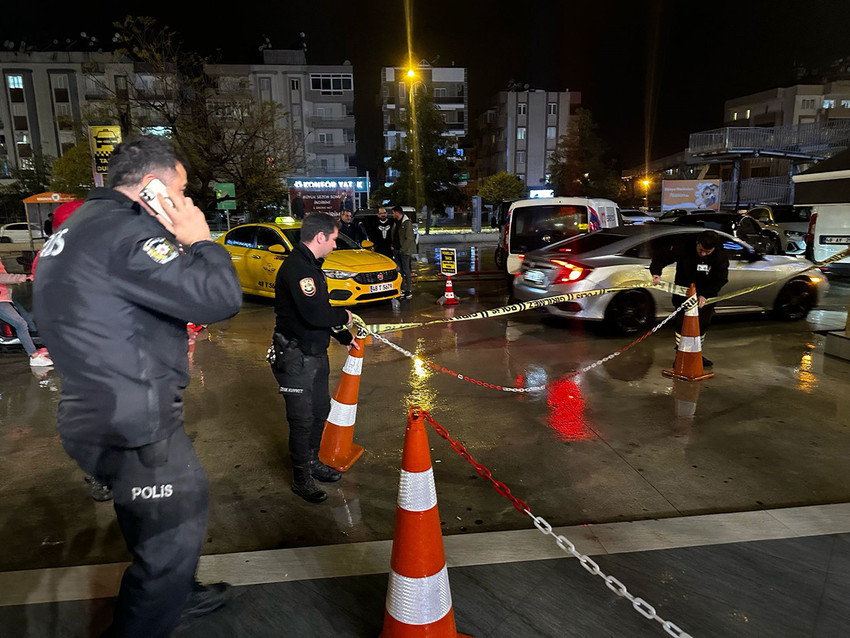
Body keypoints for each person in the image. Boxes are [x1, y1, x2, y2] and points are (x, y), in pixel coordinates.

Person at [33, 135, 243, 637]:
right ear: (153, 187)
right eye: (183, 189)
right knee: (172, 538)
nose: (187, 200)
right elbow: (218, 297)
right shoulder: (128, 236)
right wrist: (200, 239)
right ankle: (158, 606)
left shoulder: (81, 224)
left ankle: (178, 594)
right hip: (135, 423)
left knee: (148, 522)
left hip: (94, 414)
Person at [271, 212, 358, 504]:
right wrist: (345, 316)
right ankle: (301, 478)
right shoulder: (298, 269)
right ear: (320, 237)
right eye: (334, 239)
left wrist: (344, 337)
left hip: (315, 353)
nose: (335, 245)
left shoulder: (311, 266)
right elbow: (316, 314)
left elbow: (321, 308)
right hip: (295, 357)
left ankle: (312, 463)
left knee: (320, 411)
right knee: (302, 419)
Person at [650, 230, 729, 367]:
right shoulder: (684, 247)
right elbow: (662, 257)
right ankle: (680, 354)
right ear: (697, 243)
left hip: (705, 298)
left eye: (707, 252)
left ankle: (696, 353)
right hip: (683, 294)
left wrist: (705, 294)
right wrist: (656, 272)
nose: (703, 254)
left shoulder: (720, 257)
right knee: (682, 327)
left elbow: (720, 279)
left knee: (701, 326)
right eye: (701, 250)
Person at [0, 256, 52, 366]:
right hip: (1, 300)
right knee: (20, 323)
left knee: (27, 318)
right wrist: (24, 278)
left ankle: (40, 346)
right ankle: (34, 356)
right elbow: (2, 277)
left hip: (6, 297)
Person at [391, 205, 416, 299]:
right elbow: (394, 235)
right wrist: (393, 245)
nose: (392, 214)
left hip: (404, 251)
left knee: (406, 270)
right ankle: (401, 289)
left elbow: (409, 238)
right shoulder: (396, 222)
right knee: (400, 271)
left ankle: (408, 290)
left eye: (393, 212)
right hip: (397, 250)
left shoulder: (406, 223)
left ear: (397, 212)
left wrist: (403, 249)